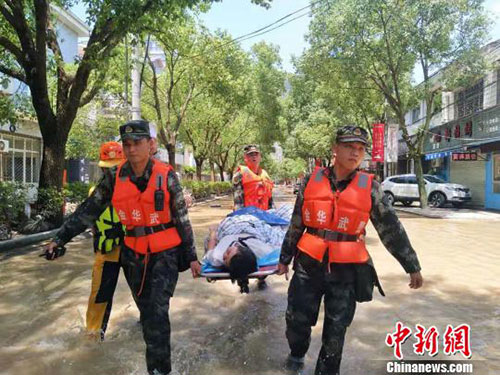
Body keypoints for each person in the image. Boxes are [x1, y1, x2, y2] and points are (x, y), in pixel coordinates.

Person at [43, 120, 201, 375]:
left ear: (150, 145)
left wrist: (192, 257)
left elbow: (182, 217)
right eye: (126, 144)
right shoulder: (114, 179)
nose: (131, 149)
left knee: (156, 314)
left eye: (137, 143)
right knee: (147, 313)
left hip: (165, 255)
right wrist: (59, 239)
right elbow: (87, 211)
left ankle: (160, 371)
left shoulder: (167, 175)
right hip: (133, 255)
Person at [277, 126, 423, 375]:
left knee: (336, 332)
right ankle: (297, 353)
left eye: (360, 149)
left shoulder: (371, 188)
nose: (355, 153)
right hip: (308, 263)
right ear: (335, 149)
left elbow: (391, 229)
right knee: (297, 321)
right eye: (348, 147)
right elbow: (296, 222)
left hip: (346, 269)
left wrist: (412, 266)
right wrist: (284, 258)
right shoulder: (311, 181)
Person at [86, 141, 125, 341]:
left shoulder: (134, 189)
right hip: (107, 253)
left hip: (132, 252)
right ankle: (93, 337)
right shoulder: (96, 193)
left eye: (116, 168)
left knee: (145, 294)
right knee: (99, 297)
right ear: (102, 168)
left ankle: (148, 326)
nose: (112, 172)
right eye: (109, 168)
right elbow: (91, 222)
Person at [204, 225, 275, 293]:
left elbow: (211, 246)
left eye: (228, 252)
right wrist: (213, 232)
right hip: (240, 229)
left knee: (207, 240)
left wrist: (213, 232)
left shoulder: (217, 257)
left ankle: (258, 280)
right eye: (225, 260)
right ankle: (258, 281)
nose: (224, 256)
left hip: (246, 231)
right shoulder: (217, 257)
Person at [232, 144, 274, 211]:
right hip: (249, 216)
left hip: (265, 216)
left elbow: (270, 200)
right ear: (245, 158)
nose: (254, 156)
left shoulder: (265, 175)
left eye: (256, 154)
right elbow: (238, 203)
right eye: (251, 155)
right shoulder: (240, 174)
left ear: (260, 157)